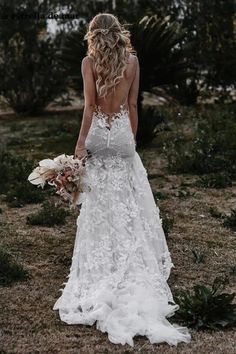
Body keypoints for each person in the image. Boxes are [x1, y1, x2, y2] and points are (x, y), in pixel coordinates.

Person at [53, 12, 191, 347]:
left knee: (100, 204)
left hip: (98, 133)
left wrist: (80, 144)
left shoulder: (89, 62)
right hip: (123, 137)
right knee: (128, 202)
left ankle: (102, 268)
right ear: (119, 33)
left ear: (93, 35)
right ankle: (132, 263)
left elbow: (89, 107)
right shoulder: (132, 61)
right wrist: (130, 139)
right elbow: (132, 105)